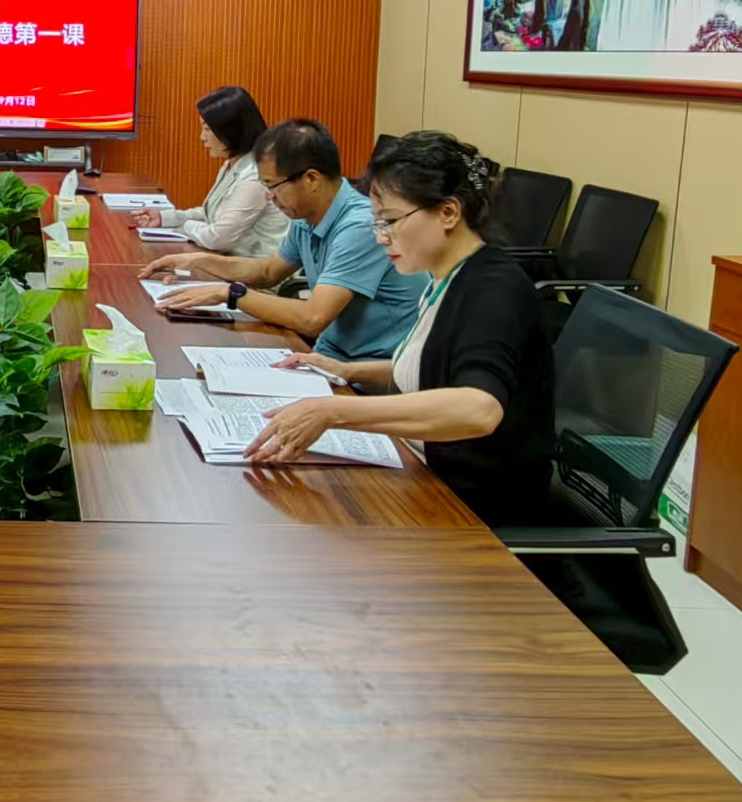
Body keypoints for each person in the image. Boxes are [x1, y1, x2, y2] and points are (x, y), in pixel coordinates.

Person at [244, 132, 556, 527]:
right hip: (420, 470)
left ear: (448, 213)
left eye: (391, 221)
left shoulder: (493, 291)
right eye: (378, 222)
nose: (381, 236)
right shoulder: (445, 276)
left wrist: (336, 411)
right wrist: (346, 370)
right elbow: (433, 369)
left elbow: (479, 409)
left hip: (472, 510)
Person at [143, 119, 423, 361]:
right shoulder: (305, 217)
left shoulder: (359, 226)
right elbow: (268, 271)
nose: (270, 197)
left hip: (369, 373)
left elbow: (312, 318)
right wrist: (198, 261)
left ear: (311, 179)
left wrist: (231, 294)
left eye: (273, 186)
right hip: (330, 354)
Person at [131, 86, 287, 256]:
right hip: (229, 261)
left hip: (254, 267)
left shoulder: (255, 176)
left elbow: (218, 238)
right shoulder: (233, 164)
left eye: (207, 129)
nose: (202, 137)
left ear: (230, 130)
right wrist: (165, 218)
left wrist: (184, 227)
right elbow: (213, 215)